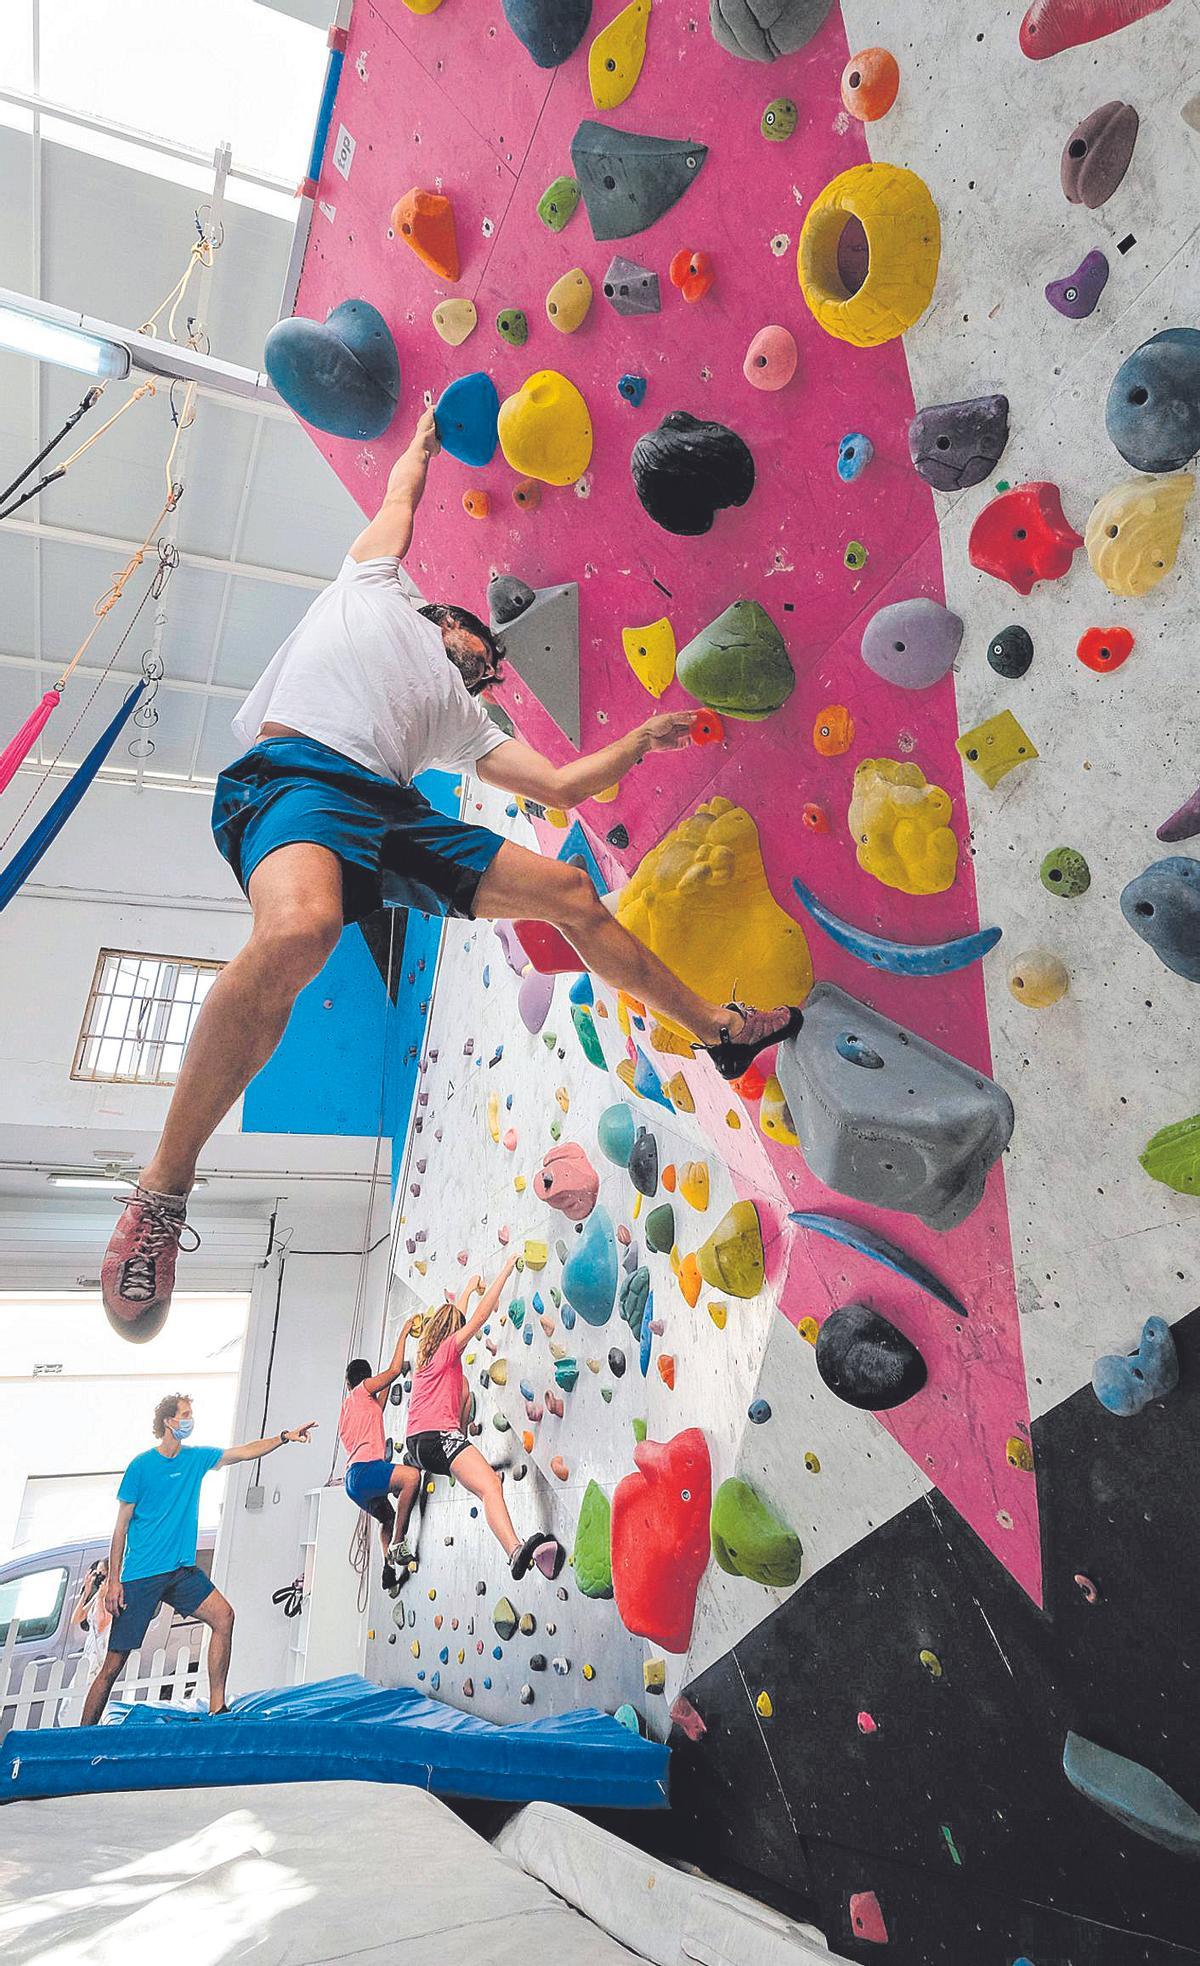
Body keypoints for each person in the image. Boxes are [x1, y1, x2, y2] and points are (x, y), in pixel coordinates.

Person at [100, 404, 803, 1341]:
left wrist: (635, 742)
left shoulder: (463, 723)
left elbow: (557, 783)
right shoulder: (374, 583)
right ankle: (162, 1190)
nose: (496, 674)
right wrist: (424, 435)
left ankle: (718, 1031)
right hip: (299, 774)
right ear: (451, 620)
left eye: (496, 676)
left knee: (569, 894)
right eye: (488, 657)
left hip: (392, 811)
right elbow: (403, 490)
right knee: (303, 931)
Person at [80, 1392, 315, 1725]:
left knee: (224, 1617)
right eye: (186, 1414)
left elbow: (243, 1452)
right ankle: (80, 1735)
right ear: (168, 1422)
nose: (191, 1420)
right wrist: (114, 1581)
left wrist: (283, 1437)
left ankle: (218, 1707)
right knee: (114, 1663)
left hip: (180, 1572)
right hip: (141, 1575)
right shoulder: (141, 1467)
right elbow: (120, 1530)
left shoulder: (195, 1459)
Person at [390, 1251, 563, 1581]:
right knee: (489, 1488)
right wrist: (506, 1270)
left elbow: (461, 1317)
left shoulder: (429, 1358)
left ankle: (517, 1549)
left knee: (487, 1481)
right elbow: (478, 1319)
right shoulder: (446, 1352)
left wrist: (468, 1288)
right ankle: (514, 1551)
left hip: (418, 1446)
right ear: (450, 1333)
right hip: (440, 1437)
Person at [338, 1320, 423, 1587]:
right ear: (364, 1380)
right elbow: (394, 1370)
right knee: (411, 1478)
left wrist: (393, 1373)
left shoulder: (350, 1408)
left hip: (352, 1483)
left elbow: (383, 1395)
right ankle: (398, 1543)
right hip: (365, 1470)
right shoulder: (362, 1392)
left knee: (386, 1518)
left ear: (347, 1383)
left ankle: (387, 1565)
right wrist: (404, 1332)